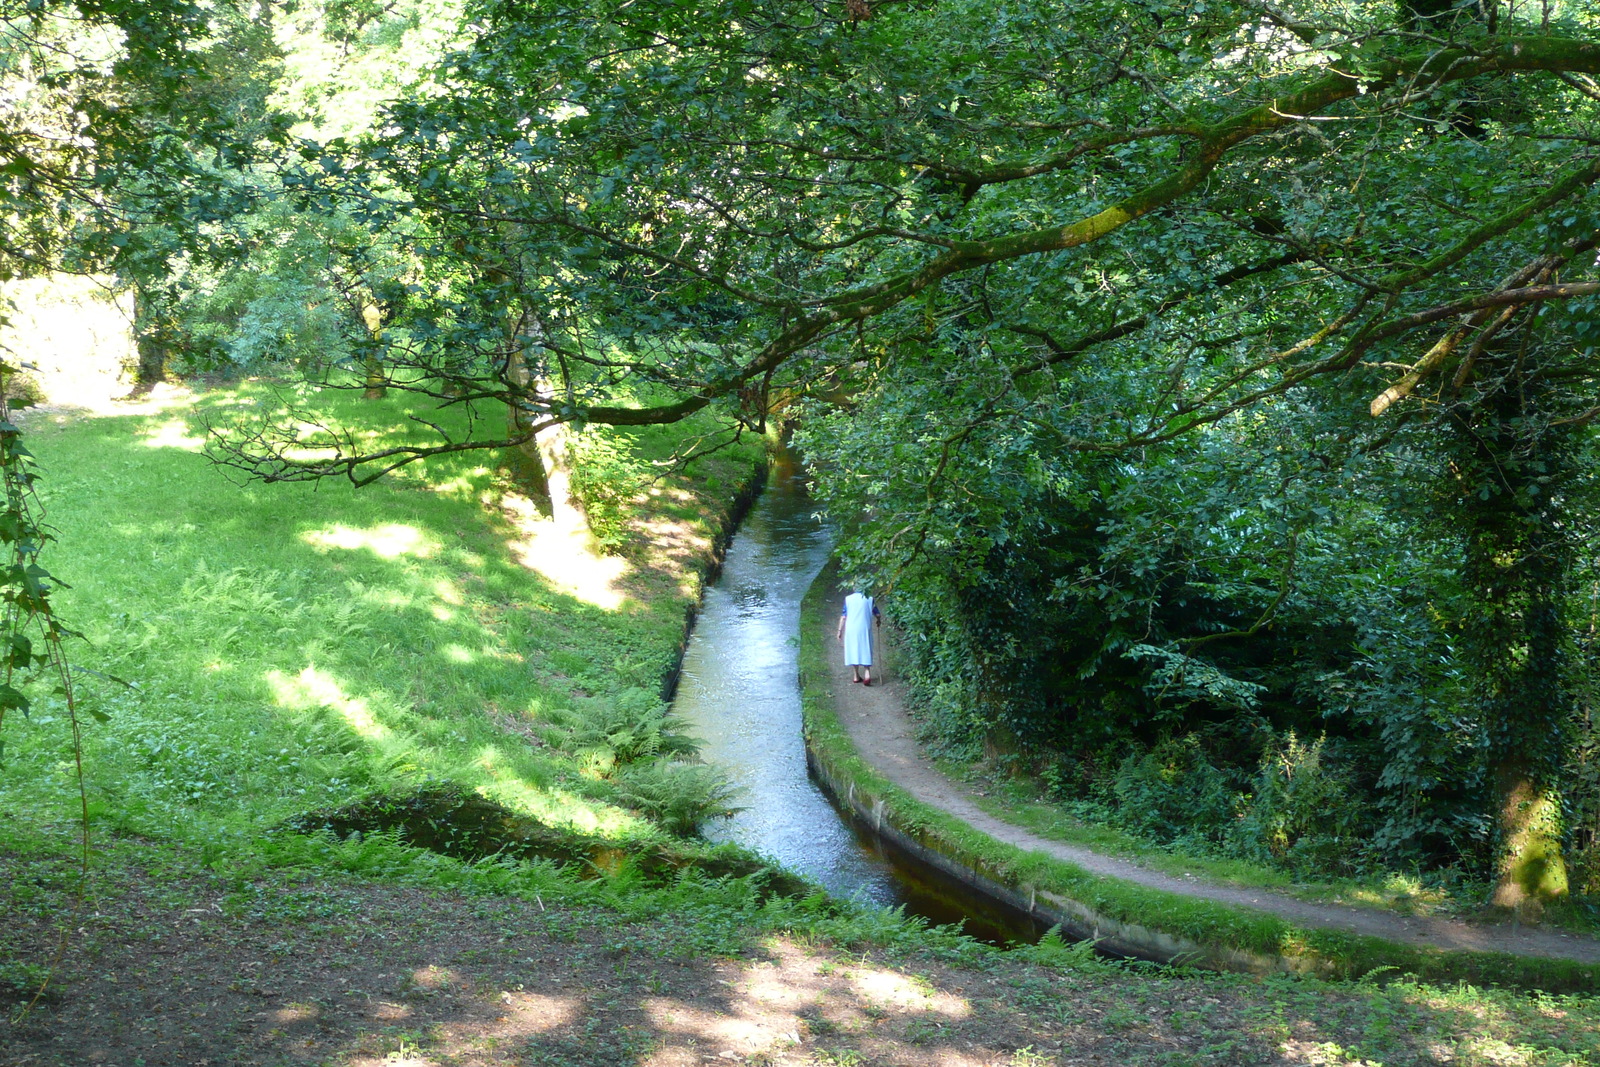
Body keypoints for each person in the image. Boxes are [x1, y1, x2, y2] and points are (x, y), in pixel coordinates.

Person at [836, 588, 882, 685]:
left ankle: (856, 675)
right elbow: (877, 613)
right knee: (866, 648)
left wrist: (839, 630)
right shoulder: (869, 598)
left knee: (854, 649)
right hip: (865, 628)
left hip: (851, 629)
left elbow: (844, 616)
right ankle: (867, 673)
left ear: (854, 588)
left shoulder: (848, 599)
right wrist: (878, 620)